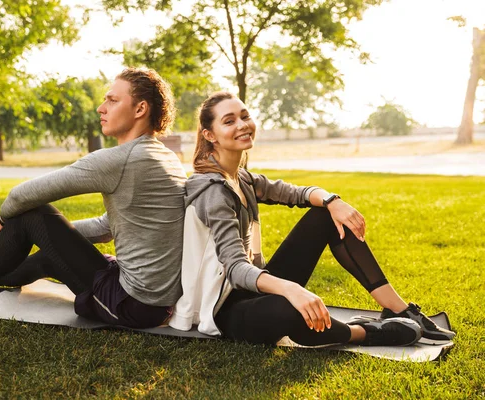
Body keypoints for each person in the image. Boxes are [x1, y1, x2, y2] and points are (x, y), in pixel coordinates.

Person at [168, 92, 456, 347]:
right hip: (224, 310)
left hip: (251, 289)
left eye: (245, 116)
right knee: (291, 310)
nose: (243, 125)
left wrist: (333, 201)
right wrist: (291, 289)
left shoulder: (241, 178)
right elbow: (235, 268)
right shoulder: (212, 191)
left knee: (325, 216)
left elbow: (296, 193)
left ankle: (397, 309)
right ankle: (367, 332)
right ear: (210, 135)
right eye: (229, 121)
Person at [0, 67, 187, 329]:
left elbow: (21, 195)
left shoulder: (124, 159)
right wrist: (52, 238)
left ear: (140, 109)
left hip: (131, 303)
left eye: (112, 100)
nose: (101, 107)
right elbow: (107, 228)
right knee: (47, 254)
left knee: (31, 214)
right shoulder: (163, 156)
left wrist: (9, 221)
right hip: (152, 301)